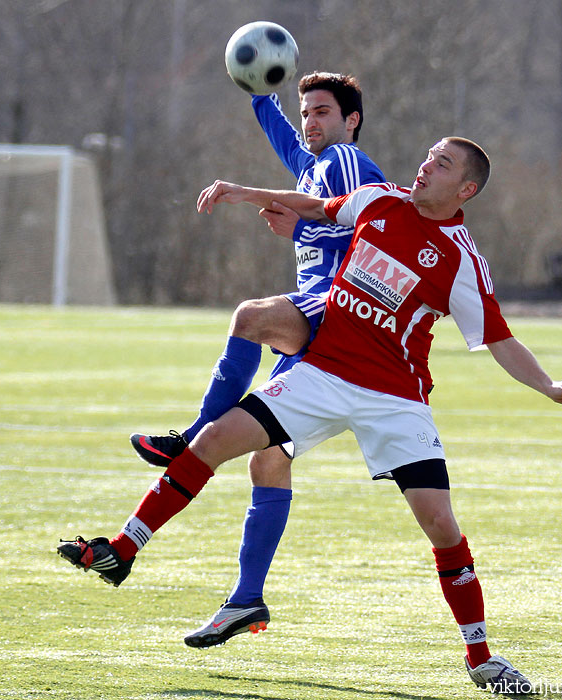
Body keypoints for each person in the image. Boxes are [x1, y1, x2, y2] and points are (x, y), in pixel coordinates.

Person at [58, 136, 562, 694]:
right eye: (428, 155)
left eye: (442, 164)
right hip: (321, 375)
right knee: (213, 440)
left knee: (440, 525)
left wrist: (551, 387)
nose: (425, 165)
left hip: (394, 398)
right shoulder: (378, 200)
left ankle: (481, 658)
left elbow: (500, 339)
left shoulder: (461, 258)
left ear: (466, 189)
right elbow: (314, 206)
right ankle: (121, 551)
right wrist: (243, 192)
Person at [128, 72, 385, 635]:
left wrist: (248, 194)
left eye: (322, 111)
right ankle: (246, 600)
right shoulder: (316, 162)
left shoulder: (343, 161)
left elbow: (328, 210)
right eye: (306, 112)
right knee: (268, 459)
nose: (310, 122)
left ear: (351, 122)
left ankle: (191, 434)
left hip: (337, 313)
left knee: (249, 317)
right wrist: (258, 92)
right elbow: (290, 148)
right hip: (324, 326)